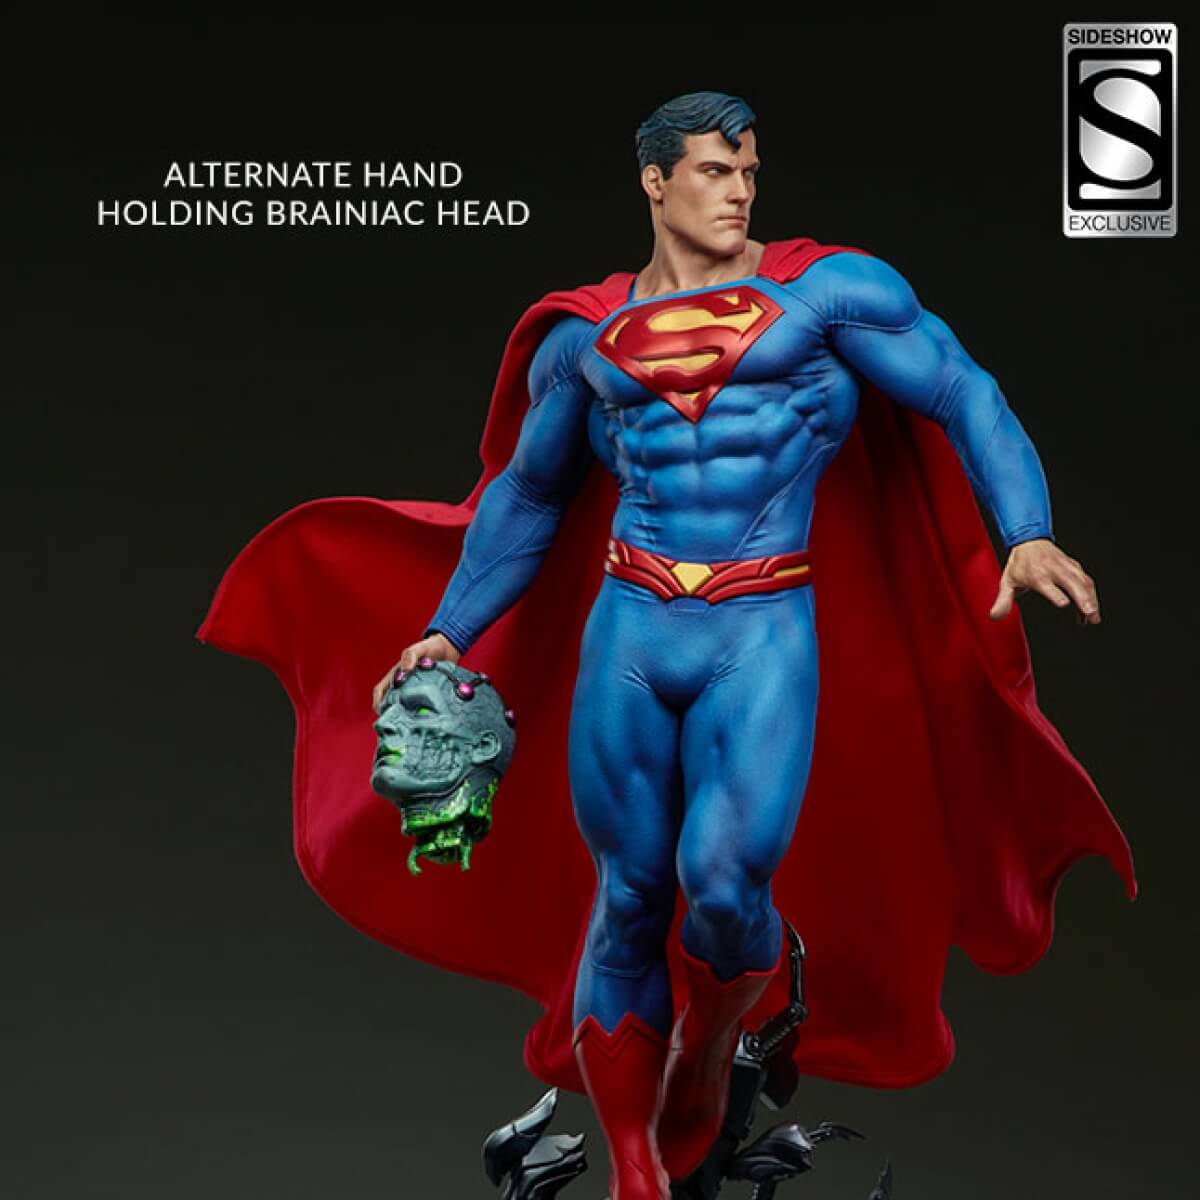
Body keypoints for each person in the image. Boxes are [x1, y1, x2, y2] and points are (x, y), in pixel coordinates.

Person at [364, 91, 1116, 1200]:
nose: (740, 191)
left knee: (722, 883)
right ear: (655, 181)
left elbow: (963, 390)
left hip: (760, 624)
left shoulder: (831, 295)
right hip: (630, 620)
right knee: (627, 898)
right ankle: (635, 1174)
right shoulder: (584, 338)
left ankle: (710, 1053)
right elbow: (529, 492)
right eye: (716, 170)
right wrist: (447, 628)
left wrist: (1026, 529)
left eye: (750, 171)